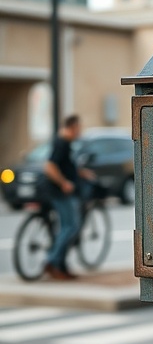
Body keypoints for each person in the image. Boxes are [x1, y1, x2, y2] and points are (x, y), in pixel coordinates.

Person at [42, 114, 95, 280]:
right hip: (61, 192)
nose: (79, 131)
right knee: (70, 226)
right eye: (78, 128)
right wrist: (64, 182)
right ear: (72, 127)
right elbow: (49, 166)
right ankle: (51, 261)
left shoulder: (67, 144)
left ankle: (61, 266)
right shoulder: (62, 143)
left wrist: (82, 173)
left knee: (68, 226)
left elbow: (66, 166)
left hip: (65, 191)